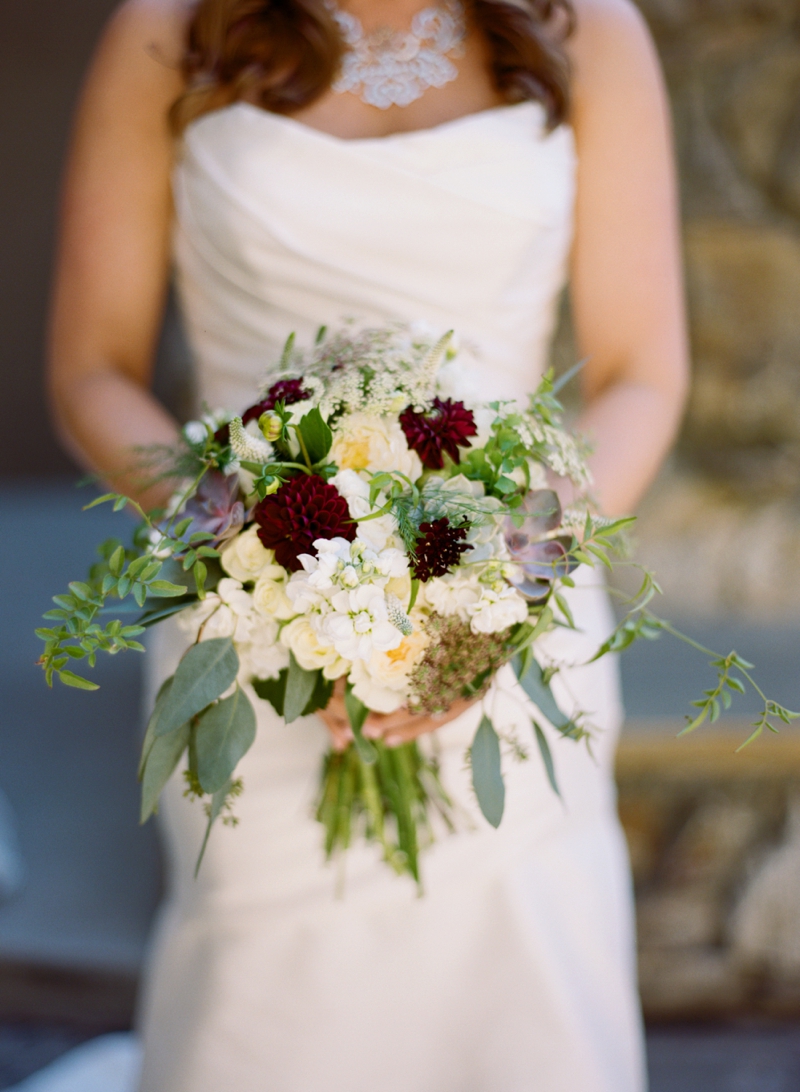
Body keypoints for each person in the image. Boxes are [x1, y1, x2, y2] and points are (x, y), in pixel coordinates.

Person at [47, 0, 688, 1089]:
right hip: (244, 609)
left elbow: (640, 372)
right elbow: (89, 367)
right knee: (273, 1004)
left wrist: (505, 583)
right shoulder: (167, 26)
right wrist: (248, 548)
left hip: (517, 604)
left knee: (518, 992)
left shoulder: (587, 30)